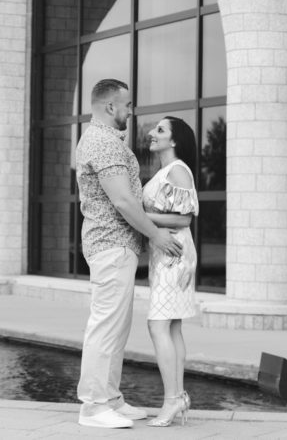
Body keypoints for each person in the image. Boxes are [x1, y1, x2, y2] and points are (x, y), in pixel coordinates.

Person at [75, 79, 183, 429]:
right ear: (110, 107)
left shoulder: (105, 140)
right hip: (111, 245)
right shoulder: (103, 143)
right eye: (126, 105)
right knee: (106, 326)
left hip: (116, 246)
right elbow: (123, 200)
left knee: (116, 327)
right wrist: (156, 236)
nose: (130, 111)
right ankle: (93, 407)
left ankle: (111, 399)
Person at [142, 116, 200, 427]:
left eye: (160, 130)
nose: (153, 133)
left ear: (174, 140)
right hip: (165, 252)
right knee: (172, 327)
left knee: (157, 326)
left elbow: (184, 219)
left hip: (174, 254)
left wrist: (139, 214)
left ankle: (172, 400)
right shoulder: (165, 171)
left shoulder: (178, 170)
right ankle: (178, 396)